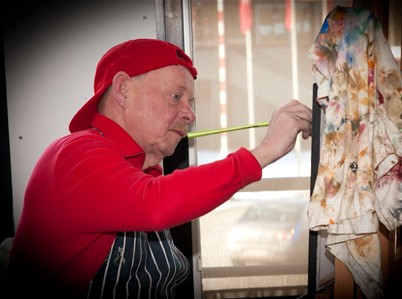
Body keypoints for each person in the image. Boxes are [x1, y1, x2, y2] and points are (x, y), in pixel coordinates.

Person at [7, 38, 312, 298]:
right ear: (123, 90)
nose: (190, 115)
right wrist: (265, 151)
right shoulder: (76, 153)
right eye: (176, 97)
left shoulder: (141, 173)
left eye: (191, 102)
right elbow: (154, 203)